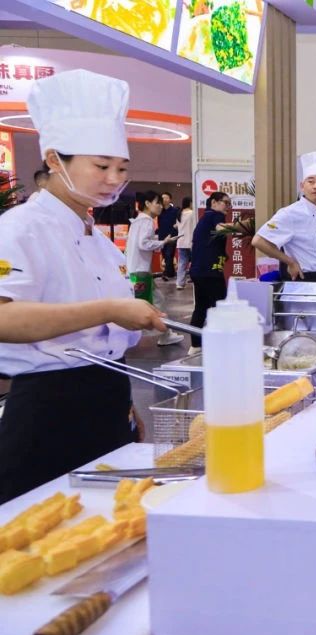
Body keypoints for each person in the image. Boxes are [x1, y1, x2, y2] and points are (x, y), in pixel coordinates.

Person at [0, 69, 167, 504]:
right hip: (47, 411)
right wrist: (108, 310)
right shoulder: (19, 229)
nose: (114, 179)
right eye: (102, 166)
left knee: (110, 526)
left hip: (106, 398)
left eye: (122, 169)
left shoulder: (97, 239)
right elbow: (4, 318)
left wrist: (121, 406)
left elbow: (102, 340)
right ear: (55, 160)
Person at [252, 151, 316, 283]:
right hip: (304, 278)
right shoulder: (290, 213)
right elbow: (259, 241)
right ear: (302, 186)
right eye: (311, 182)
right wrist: (290, 262)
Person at [126, 191, 182, 346]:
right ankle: (164, 334)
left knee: (153, 301)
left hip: (134, 270)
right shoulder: (147, 221)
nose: (159, 206)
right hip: (141, 271)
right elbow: (143, 244)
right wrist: (163, 242)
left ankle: (166, 334)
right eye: (157, 202)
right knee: (153, 302)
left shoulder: (137, 221)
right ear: (147, 204)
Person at [189, 191, 230, 351]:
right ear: (213, 202)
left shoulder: (205, 219)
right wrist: (246, 225)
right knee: (220, 309)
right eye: (225, 203)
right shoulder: (215, 215)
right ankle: (221, 347)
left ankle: (196, 346)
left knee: (201, 307)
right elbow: (221, 228)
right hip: (210, 272)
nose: (228, 207)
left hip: (199, 271)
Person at [157, 191, 180, 280]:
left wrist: (174, 231)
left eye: (166, 197)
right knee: (165, 255)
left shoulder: (175, 210)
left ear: (170, 199)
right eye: (162, 198)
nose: (164, 199)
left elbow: (178, 223)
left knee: (169, 254)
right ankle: (171, 273)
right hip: (162, 236)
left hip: (172, 236)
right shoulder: (160, 210)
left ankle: (166, 273)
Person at [175, 197, 194, 289]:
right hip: (191, 241)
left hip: (181, 241)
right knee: (194, 262)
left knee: (182, 263)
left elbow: (177, 226)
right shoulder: (192, 213)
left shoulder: (179, 214)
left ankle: (179, 283)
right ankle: (194, 279)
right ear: (190, 203)